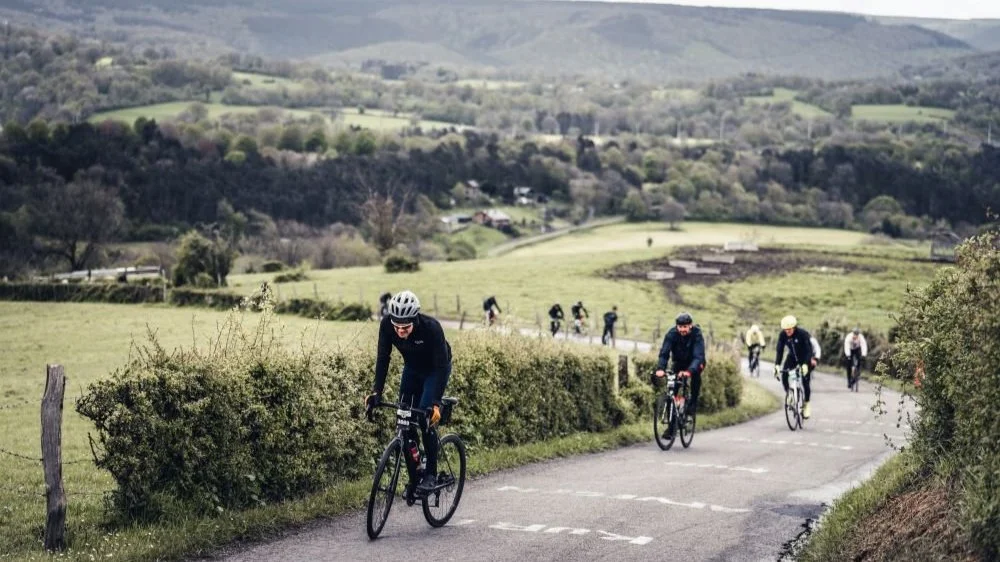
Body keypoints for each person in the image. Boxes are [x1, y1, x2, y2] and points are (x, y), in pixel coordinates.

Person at [365, 290, 452, 494]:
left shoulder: (432, 328)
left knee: (425, 416)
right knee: (403, 418)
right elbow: (383, 357)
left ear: (415, 319)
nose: (400, 331)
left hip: (435, 369)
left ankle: (430, 473)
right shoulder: (387, 325)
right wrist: (376, 392)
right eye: (397, 326)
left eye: (405, 327)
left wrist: (436, 403)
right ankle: (416, 475)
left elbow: (440, 367)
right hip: (412, 368)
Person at [655, 312, 706, 421]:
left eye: (685, 327)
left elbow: (698, 356)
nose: (682, 329)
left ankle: (692, 405)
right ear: (676, 326)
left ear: (690, 325)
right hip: (679, 362)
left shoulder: (697, 334)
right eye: (680, 327)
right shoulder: (671, 334)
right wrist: (660, 368)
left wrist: (689, 371)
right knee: (672, 389)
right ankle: (671, 425)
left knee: (696, 376)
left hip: (695, 362)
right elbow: (664, 353)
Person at [773, 315, 817, 419]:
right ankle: (790, 394)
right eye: (785, 330)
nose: (787, 332)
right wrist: (777, 365)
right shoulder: (783, 335)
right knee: (784, 375)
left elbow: (809, 351)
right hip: (792, 357)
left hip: (805, 357)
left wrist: (806, 364)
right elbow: (779, 351)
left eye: (789, 330)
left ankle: (806, 404)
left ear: (794, 327)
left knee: (805, 381)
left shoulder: (802, 334)